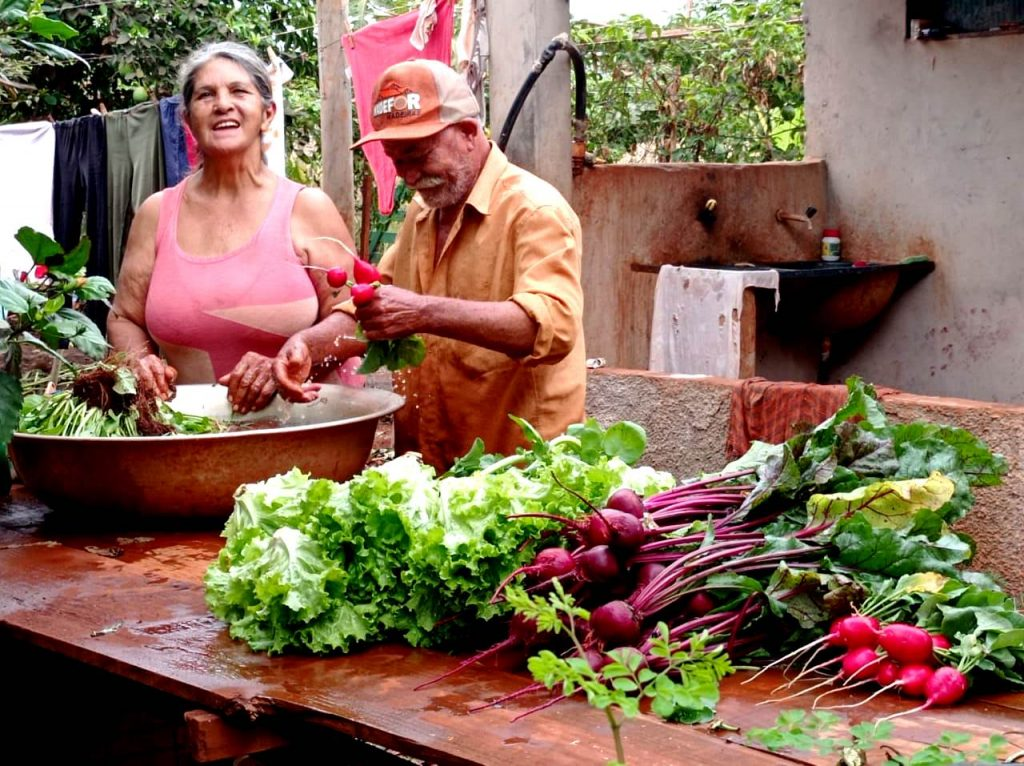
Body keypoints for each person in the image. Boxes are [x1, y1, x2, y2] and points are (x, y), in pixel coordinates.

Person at [274, 58, 587, 471]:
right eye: (395, 159)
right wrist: (307, 348)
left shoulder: (534, 210)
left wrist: (422, 312)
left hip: (520, 478)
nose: (407, 174)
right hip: (431, 472)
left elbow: (554, 325)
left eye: (418, 154)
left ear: (469, 133)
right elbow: (372, 307)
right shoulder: (423, 214)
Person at [107, 41, 361, 414]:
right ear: (188, 120)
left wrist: (299, 352)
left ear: (268, 112)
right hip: (185, 436)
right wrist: (137, 363)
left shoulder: (307, 208)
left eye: (239, 91)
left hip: (304, 435)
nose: (222, 104)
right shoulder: (157, 213)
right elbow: (124, 318)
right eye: (206, 95)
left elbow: (358, 320)